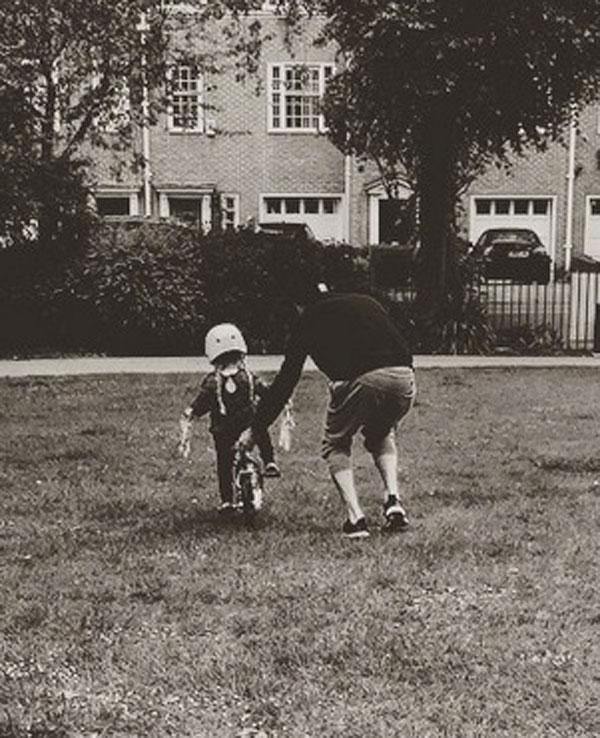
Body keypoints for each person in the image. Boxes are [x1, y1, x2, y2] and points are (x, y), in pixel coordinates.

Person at [240, 285, 416, 539]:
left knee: (336, 444)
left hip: (362, 378)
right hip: (405, 378)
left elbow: (286, 382)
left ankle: (356, 519)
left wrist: (256, 428)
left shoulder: (308, 318)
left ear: (297, 306)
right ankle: (393, 502)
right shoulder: (366, 301)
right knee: (380, 433)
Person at [178, 322, 280, 514]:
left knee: (224, 464)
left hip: (223, 430)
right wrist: (277, 398)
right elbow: (267, 394)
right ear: (241, 352)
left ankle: (227, 500)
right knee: (261, 430)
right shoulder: (249, 377)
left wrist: (191, 412)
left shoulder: (212, 381)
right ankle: (269, 461)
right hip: (248, 426)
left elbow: (202, 403)